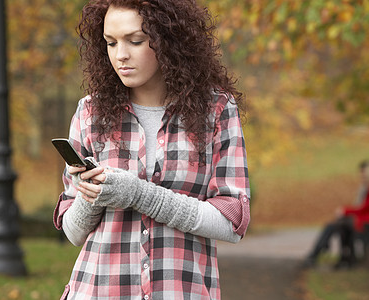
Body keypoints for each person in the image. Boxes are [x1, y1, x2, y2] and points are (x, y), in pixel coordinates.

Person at [53, 0, 250, 299]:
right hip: (96, 290)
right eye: (110, 43)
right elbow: (73, 232)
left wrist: (137, 194)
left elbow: (231, 224)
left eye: (136, 41)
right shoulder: (90, 113)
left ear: (169, 40)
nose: (121, 55)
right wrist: (90, 192)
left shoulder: (216, 111)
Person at [303, 160, 369, 269]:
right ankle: (343, 258)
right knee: (340, 226)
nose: (362, 177)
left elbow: (364, 208)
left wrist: (344, 211)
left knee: (337, 225)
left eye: (364, 174)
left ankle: (322, 253)